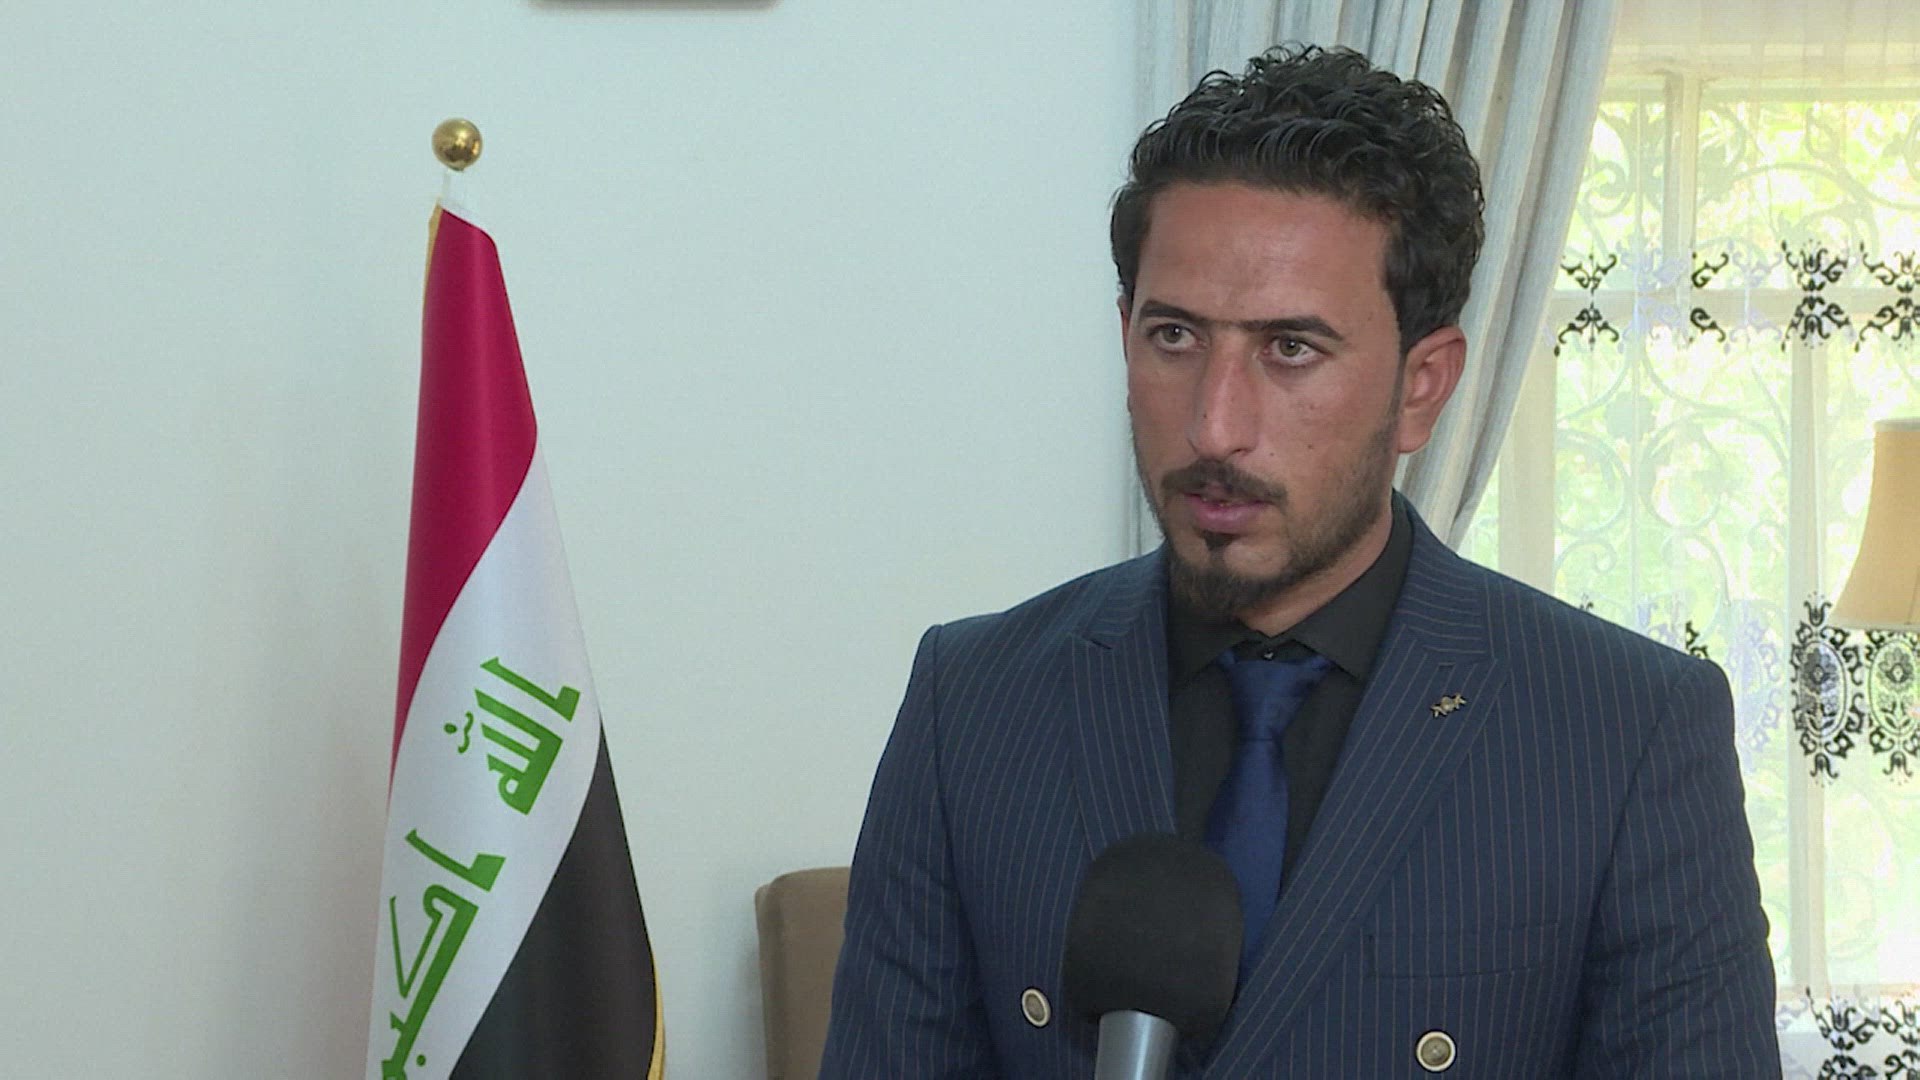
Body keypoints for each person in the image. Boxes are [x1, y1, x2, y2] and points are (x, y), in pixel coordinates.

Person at [819, 44, 1779, 1078]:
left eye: (1291, 349)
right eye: (1174, 336)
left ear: (1422, 386)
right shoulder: (971, 704)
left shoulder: (1624, 731)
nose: (1215, 426)